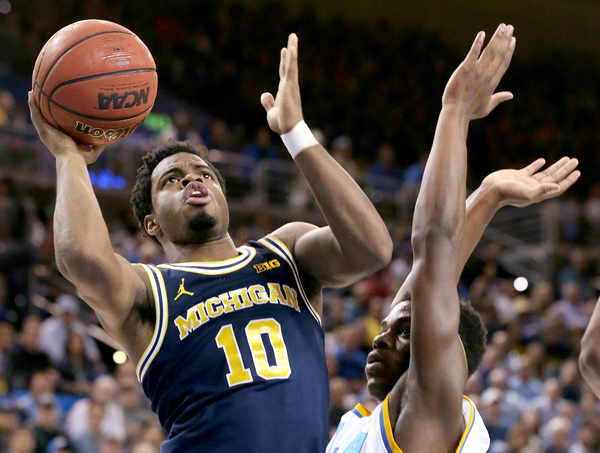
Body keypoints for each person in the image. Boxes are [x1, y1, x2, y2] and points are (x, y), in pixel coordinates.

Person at [28, 33, 392, 452]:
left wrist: (296, 134)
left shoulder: (286, 252)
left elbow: (372, 249)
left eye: (204, 174)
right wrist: (69, 156)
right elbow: (81, 258)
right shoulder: (149, 292)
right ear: (151, 223)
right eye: (172, 180)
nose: (192, 179)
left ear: (222, 195)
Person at [328, 23, 580, 452]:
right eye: (389, 328)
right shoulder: (374, 421)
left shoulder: (431, 414)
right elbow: (423, 279)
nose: (380, 337)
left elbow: (434, 245)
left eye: (405, 332)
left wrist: (455, 110)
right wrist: (488, 196)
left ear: (447, 354)